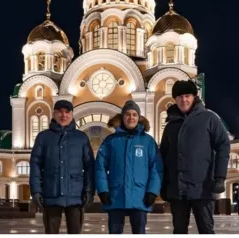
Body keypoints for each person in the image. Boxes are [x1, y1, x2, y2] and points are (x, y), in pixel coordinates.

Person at [160, 80, 230, 234]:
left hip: (203, 187)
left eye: (187, 96)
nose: (184, 100)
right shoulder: (171, 125)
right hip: (177, 190)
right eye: (179, 97)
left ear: (194, 97)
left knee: (205, 229)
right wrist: (164, 184)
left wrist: (219, 177)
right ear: (175, 99)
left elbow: (223, 146)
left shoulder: (209, 118)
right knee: (179, 230)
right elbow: (163, 156)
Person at [95, 100, 163, 234]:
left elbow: (156, 168)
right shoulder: (111, 141)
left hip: (140, 196)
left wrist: (152, 191)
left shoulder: (148, 142)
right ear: (122, 117)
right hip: (115, 195)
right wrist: (103, 190)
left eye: (134, 114)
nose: (131, 117)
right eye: (127, 114)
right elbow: (100, 167)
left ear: (139, 118)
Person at [29, 100, 95, 234]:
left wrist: (89, 190)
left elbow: (90, 166)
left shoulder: (81, 138)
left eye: (67, 112)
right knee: (51, 232)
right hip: (51, 193)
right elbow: (35, 164)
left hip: (76, 195)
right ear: (54, 114)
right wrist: (36, 190)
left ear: (72, 114)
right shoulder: (43, 137)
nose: (63, 115)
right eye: (59, 112)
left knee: (75, 232)